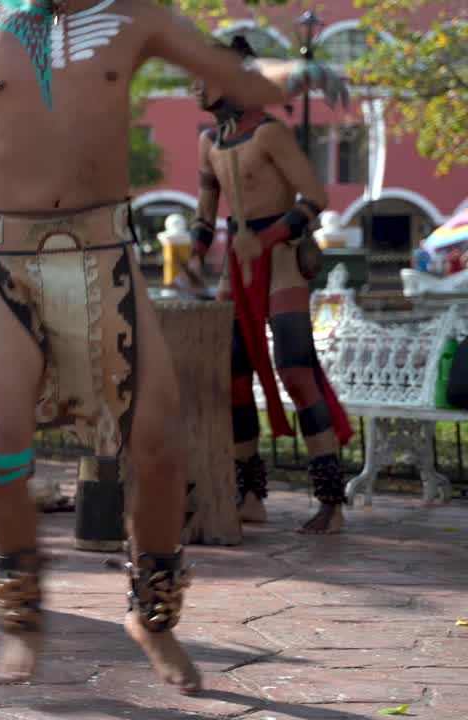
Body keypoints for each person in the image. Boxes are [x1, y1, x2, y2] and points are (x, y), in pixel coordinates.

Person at [0, 0, 349, 689]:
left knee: (158, 444)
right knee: (0, 454)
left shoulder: (135, 16)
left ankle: (152, 617)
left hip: (106, 260)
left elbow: (232, 72)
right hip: (5, 265)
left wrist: (299, 70)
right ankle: (23, 619)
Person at [187, 36, 353, 534]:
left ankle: (330, 499)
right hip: (237, 266)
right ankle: (250, 492)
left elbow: (316, 195)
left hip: (279, 259)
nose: (197, 82)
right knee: (232, 377)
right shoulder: (208, 142)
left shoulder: (272, 134)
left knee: (296, 371)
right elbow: (205, 205)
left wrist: (271, 236)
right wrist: (197, 253)